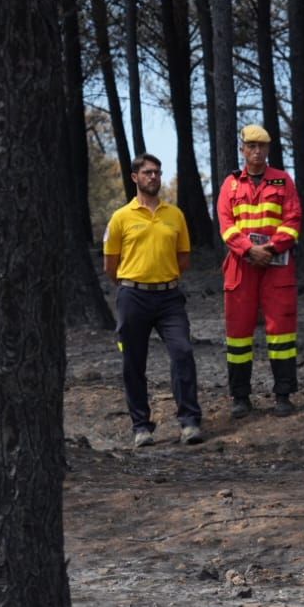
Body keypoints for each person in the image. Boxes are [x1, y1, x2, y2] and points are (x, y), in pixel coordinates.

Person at [102, 153, 203, 447]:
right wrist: (132, 282)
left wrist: (164, 275)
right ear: (135, 177)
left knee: (183, 352)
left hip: (169, 297)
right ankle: (141, 427)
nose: (154, 177)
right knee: (133, 361)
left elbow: (183, 258)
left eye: (157, 173)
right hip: (133, 296)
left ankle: (189, 422)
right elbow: (110, 265)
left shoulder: (175, 215)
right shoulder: (121, 217)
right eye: (147, 173)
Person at [217, 124, 302, 419]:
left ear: (268, 149)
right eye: (251, 146)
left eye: (261, 146)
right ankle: (240, 397)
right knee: (238, 333)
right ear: (242, 149)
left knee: (281, 331)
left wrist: (272, 248)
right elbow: (226, 225)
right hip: (241, 267)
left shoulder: (283, 180)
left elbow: (293, 220)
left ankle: (283, 394)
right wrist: (248, 250)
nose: (256, 151)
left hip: (276, 266)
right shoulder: (229, 185)